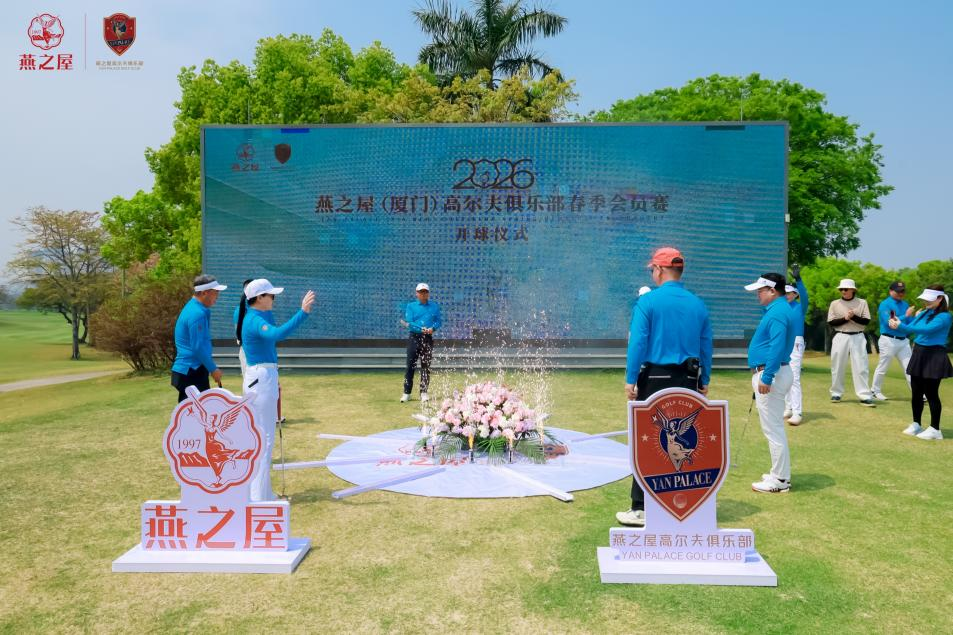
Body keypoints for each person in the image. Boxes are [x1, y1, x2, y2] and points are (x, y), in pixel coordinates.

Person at [617, 247, 713, 526]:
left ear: (659, 270)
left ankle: (641, 507)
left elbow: (638, 342)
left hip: (655, 378)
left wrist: (630, 379)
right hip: (689, 379)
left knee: (647, 440)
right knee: (686, 440)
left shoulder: (648, 302)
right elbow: (706, 345)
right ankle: (683, 502)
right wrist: (705, 379)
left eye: (653, 269)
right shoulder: (698, 304)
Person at [237, 278, 316, 501]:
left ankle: (261, 494)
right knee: (264, 439)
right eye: (270, 295)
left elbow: (271, 329)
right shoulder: (254, 319)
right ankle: (259, 498)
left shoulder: (259, 314)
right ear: (259, 298)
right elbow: (276, 334)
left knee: (262, 438)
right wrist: (303, 313)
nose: (274, 299)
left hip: (263, 375)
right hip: (261, 377)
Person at [744, 274, 797, 493]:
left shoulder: (777, 312)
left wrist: (766, 377)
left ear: (773, 290)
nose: (758, 294)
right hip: (775, 371)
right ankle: (779, 474)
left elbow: (777, 346)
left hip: (771, 373)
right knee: (774, 427)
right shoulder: (780, 309)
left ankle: (780, 479)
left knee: (773, 429)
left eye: (760, 290)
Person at [889, 286, 952, 441]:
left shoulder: (945, 316)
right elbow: (912, 326)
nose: (925, 302)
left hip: (934, 355)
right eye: (925, 299)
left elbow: (926, 330)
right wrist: (898, 322)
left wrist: (900, 326)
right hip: (919, 353)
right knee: (916, 392)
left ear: (940, 299)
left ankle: (935, 429)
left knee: (931, 393)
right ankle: (916, 424)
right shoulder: (924, 312)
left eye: (929, 299)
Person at [171, 274, 227, 403]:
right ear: (204, 293)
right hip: (191, 370)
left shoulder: (196, 308)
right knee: (196, 412)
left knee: (196, 411)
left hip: (191, 369)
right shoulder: (197, 313)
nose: (218, 296)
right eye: (215, 292)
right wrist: (213, 369)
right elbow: (198, 347)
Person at [827, 279, 876, 406]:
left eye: (845, 289)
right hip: (840, 335)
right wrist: (845, 318)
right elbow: (831, 322)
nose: (843, 291)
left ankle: (864, 395)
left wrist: (853, 316)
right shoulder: (834, 303)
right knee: (837, 365)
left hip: (858, 336)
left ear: (853, 290)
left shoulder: (862, 303)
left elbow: (866, 321)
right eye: (841, 289)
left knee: (861, 366)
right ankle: (836, 393)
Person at [871, 281, 915, 400]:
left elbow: (909, 322)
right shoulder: (885, 304)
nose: (901, 293)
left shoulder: (905, 304)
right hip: (888, 340)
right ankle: (875, 391)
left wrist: (918, 317)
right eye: (898, 291)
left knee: (910, 368)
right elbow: (890, 322)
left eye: (903, 291)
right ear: (891, 291)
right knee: (883, 367)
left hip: (903, 341)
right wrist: (906, 315)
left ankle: (918, 393)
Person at [401, 283, 442, 403]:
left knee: (426, 366)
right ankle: (406, 393)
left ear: (428, 293)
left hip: (427, 338)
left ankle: (424, 393)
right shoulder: (411, 306)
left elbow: (438, 321)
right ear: (417, 293)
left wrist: (432, 328)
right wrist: (420, 328)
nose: (423, 294)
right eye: (421, 292)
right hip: (414, 338)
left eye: (425, 292)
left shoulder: (434, 306)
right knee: (410, 365)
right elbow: (409, 322)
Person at [783, 265, 808, 425]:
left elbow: (805, 296)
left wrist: (798, 279)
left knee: (794, 377)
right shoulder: (781, 307)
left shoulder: (800, 307)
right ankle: (788, 407)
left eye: (789, 293)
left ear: (795, 294)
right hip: (783, 342)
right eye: (784, 293)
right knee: (784, 376)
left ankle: (797, 412)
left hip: (796, 343)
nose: (787, 295)